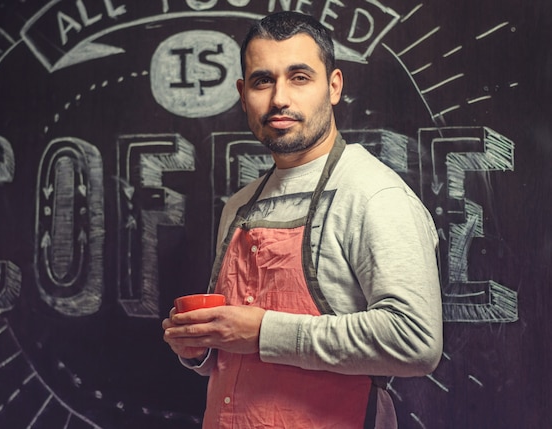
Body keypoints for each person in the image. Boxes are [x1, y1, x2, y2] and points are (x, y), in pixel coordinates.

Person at [162, 11, 443, 429]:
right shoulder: (239, 205)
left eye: (299, 77)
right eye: (262, 80)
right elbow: (236, 351)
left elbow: (415, 342)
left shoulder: (374, 194)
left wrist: (262, 333)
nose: (279, 99)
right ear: (243, 94)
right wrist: (202, 346)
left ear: (333, 87)